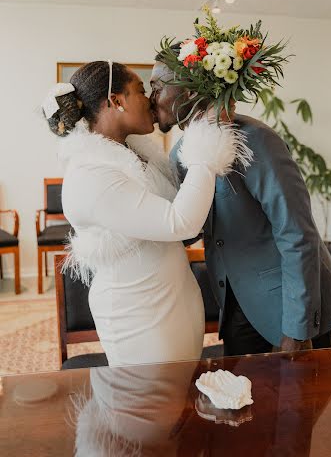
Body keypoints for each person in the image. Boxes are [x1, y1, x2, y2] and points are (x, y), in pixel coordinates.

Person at [43, 60, 249, 367]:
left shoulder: (135, 154)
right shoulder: (91, 174)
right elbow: (180, 222)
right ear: (116, 101)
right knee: (148, 406)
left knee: (179, 401)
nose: (151, 100)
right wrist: (207, 137)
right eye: (141, 90)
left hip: (176, 301)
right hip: (139, 316)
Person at [150, 59, 331, 356]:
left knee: (301, 402)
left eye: (157, 87)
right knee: (244, 398)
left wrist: (297, 330)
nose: (151, 97)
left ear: (190, 92)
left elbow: (297, 234)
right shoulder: (179, 155)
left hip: (291, 306)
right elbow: (186, 229)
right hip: (234, 303)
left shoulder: (256, 140)